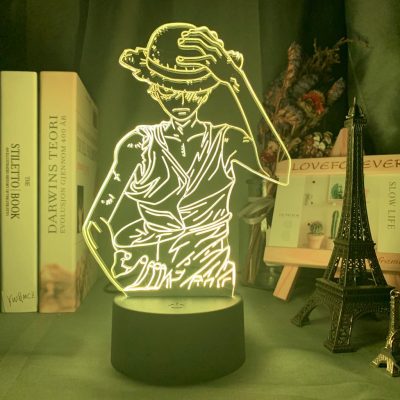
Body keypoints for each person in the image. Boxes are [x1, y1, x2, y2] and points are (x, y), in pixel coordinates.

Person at [83, 22, 290, 296]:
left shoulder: (227, 141)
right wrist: (125, 278)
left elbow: (282, 171)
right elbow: (96, 222)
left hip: (212, 274)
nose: (181, 102)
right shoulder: (138, 144)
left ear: (207, 90)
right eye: (170, 91)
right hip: (150, 272)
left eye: (193, 91)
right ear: (155, 88)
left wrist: (233, 78)